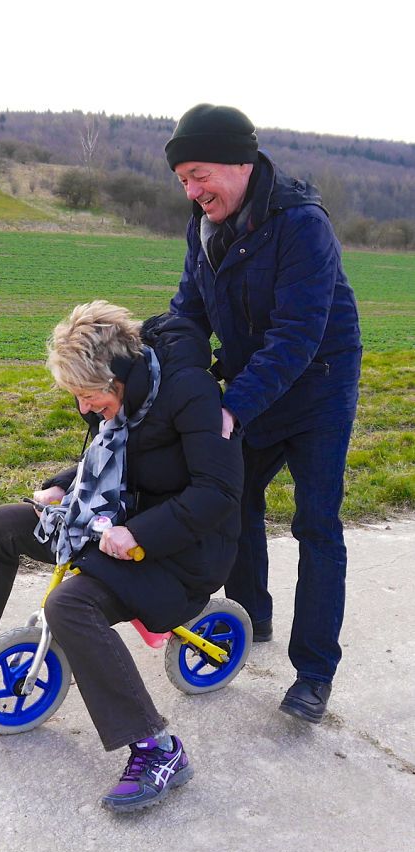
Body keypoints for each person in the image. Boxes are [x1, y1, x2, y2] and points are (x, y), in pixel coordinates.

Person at [0, 301, 243, 813]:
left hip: (182, 553)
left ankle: (157, 749)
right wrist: (60, 486)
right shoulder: (121, 403)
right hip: (113, 526)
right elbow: (100, 462)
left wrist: (137, 532)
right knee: (6, 523)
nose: (83, 409)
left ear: (118, 375)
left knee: (70, 605)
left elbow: (218, 494)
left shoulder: (189, 394)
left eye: (87, 396)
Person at [165, 104, 362, 724]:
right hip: (255, 380)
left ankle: (314, 670)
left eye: (199, 175)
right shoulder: (204, 229)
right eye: (183, 181)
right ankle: (251, 619)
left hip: (318, 388)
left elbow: (298, 336)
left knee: (317, 524)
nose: (193, 192)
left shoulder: (302, 223)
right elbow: (189, 313)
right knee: (235, 502)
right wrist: (157, 369)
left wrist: (233, 409)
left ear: (240, 163)